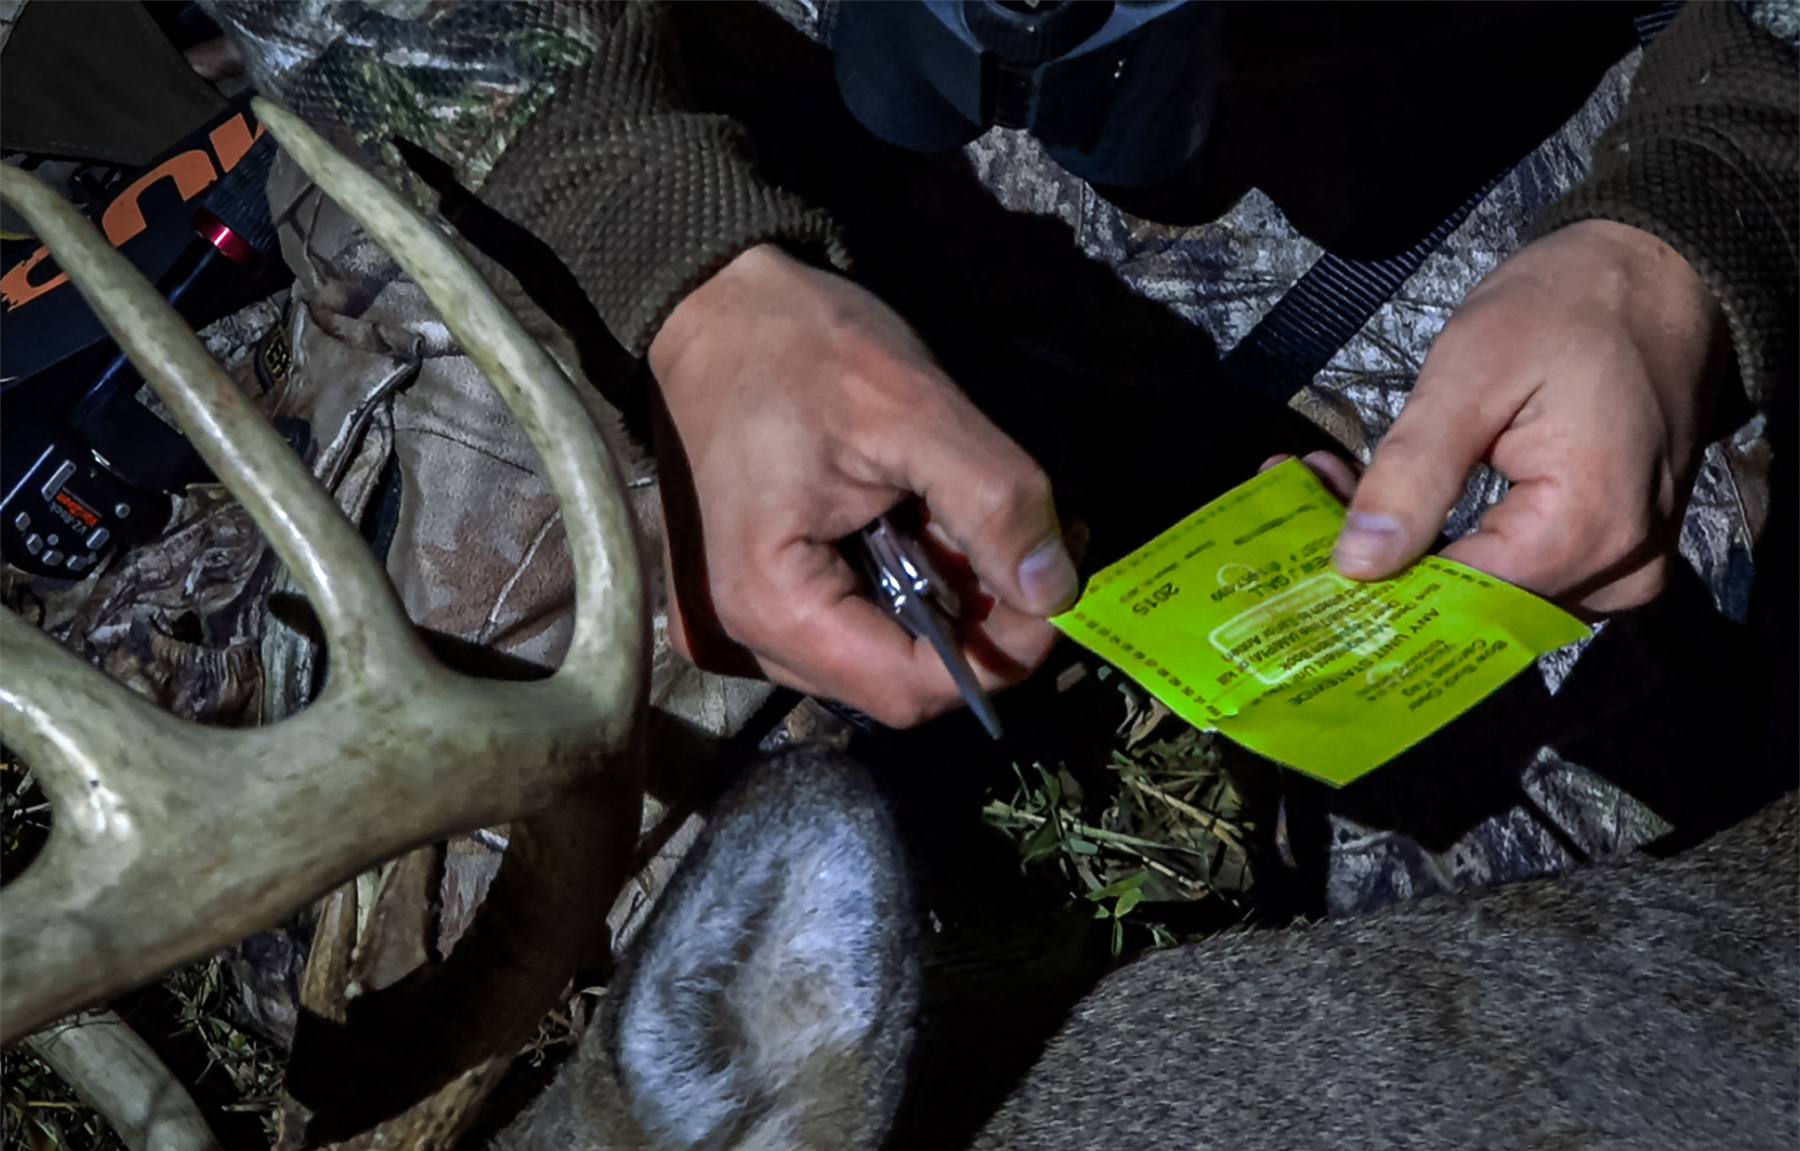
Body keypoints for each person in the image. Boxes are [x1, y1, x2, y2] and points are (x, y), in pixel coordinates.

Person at [210, 0, 1797, 733]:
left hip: (1489, 129)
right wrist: (674, 261)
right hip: (687, 72)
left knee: (1616, 749)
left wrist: (1696, 224)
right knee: (486, 794)